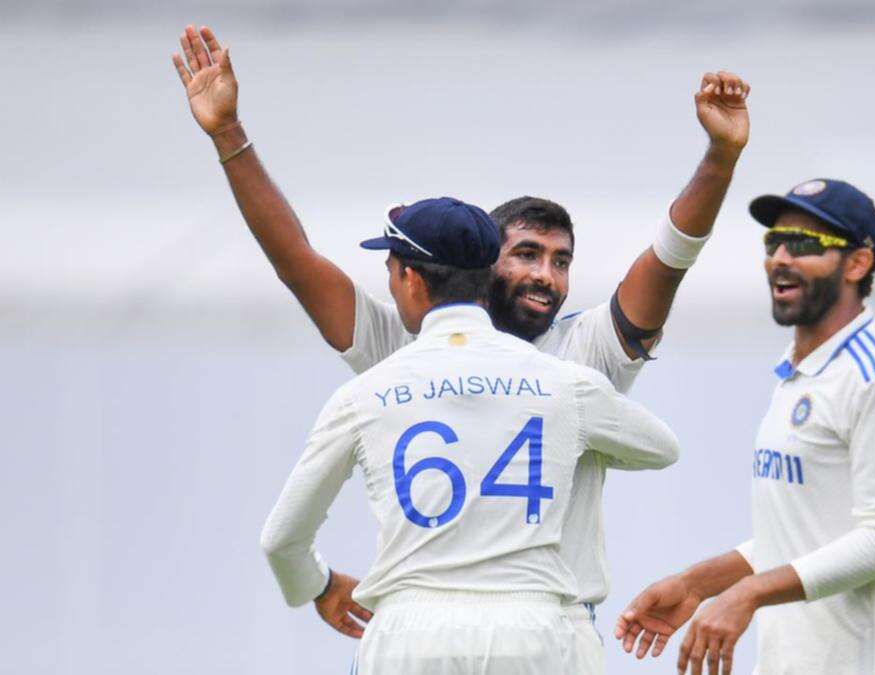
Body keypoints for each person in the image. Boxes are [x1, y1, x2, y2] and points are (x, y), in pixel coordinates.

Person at [171, 24, 749, 673]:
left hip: (448, 626)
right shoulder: (416, 339)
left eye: (562, 261)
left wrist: (719, 160)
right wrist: (230, 136)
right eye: (527, 254)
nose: (546, 276)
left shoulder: (581, 345)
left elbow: (670, 260)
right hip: (538, 634)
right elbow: (294, 261)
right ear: (480, 258)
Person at [260, 197, 680, 674]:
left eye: (391, 271)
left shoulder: (364, 393)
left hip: (408, 633)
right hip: (535, 630)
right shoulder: (563, 381)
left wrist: (315, 584)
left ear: (411, 279)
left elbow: (281, 538)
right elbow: (662, 447)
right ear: (487, 276)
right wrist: (581, 442)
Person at [615, 179, 875, 674]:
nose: (781, 258)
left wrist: (748, 594)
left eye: (807, 245)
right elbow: (799, 535)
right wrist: (697, 584)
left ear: (857, 263)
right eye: (774, 242)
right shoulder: (799, 371)